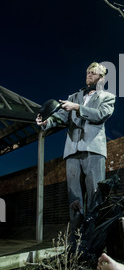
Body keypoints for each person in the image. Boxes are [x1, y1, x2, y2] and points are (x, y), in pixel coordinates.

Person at [36, 61, 115, 237]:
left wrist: (78, 108)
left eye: (94, 73)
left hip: (93, 151)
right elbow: (62, 118)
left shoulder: (107, 97)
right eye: (88, 72)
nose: (89, 75)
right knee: (75, 198)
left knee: (96, 197)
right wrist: (46, 122)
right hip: (72, 152)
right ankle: (76, 241)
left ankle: (94, 240)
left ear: (102, 78)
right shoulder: (73, 97)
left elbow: (100, 115)